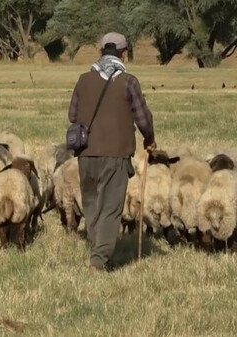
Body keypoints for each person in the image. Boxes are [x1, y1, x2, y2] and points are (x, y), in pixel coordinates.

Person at [67, 32, 156, 272]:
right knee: (110, 208)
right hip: (115, 155)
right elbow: (143, 119)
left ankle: (100, 250)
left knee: (92, 205)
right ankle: (98, 261)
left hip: (85, 154)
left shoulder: (83, 80)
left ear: (100, 52)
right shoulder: (129, 81)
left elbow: (72, 116)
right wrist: (149, 138)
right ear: (123, 53)